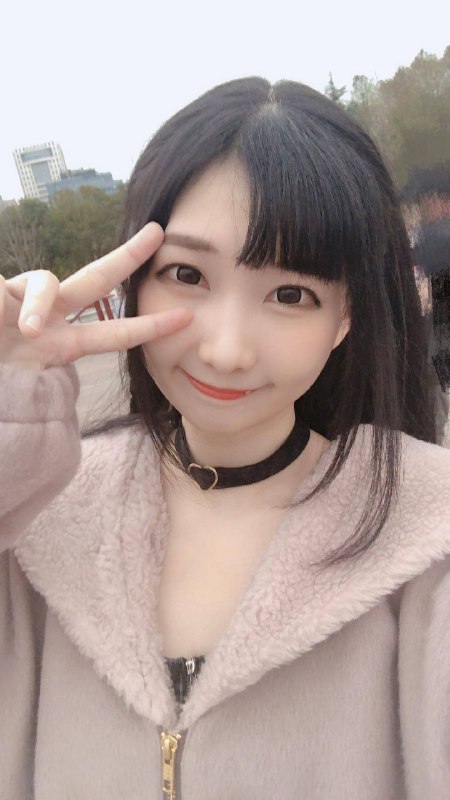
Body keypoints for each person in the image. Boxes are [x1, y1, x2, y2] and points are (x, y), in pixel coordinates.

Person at [1, 77, 450, 800]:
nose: (227, 350)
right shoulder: (40, 514)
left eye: (291, 294)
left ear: (345, 318)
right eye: (187, 274)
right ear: (134, 281)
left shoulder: (427, 534)